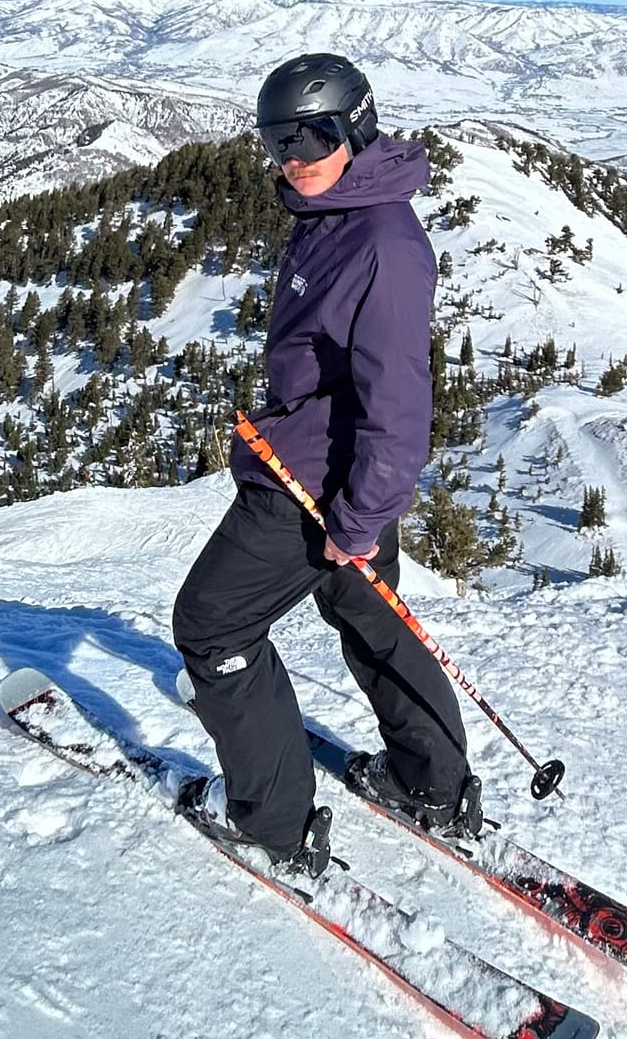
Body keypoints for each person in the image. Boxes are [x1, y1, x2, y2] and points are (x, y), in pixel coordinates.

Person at [172, 52, 476, 875]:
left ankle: (272, 827)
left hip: (313, 487)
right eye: (277, 136)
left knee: (212, 625)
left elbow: (402, 404)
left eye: (311, 134)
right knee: (374, 619)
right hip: (331, 469)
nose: (292, 154)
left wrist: (359, 517)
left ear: (357, 127)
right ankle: (434, 786)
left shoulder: (383, 241)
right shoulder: (338, 210)